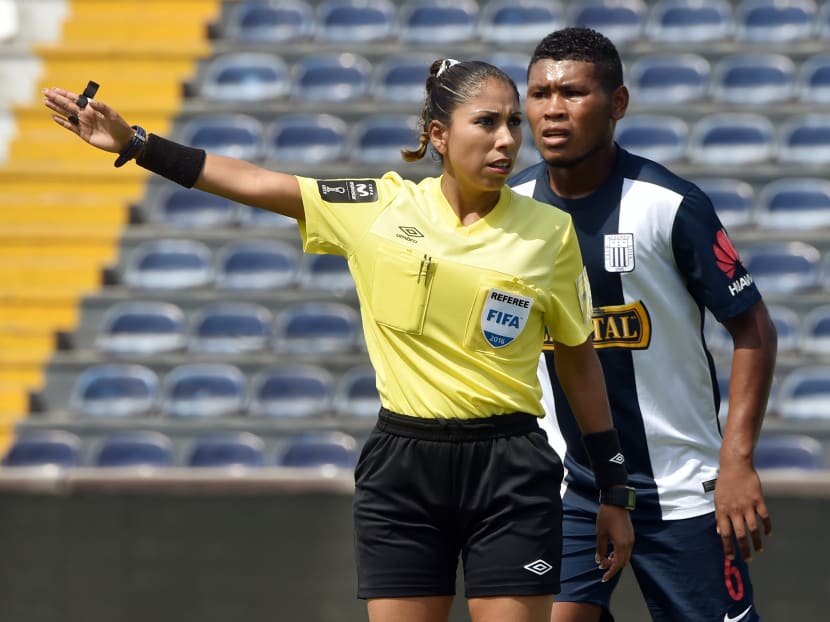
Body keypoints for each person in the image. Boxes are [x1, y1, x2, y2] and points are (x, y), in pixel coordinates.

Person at [44, 58, 635, 622]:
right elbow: (255, 182)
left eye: (511, 122)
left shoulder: (551, 232)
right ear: (439, 134)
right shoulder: (377, 206)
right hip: (404, 467)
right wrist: (136, 144)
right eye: (485, 122)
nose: (506, 139)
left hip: (511, 470)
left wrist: (613, 486)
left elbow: (579, 362)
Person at [509, 27, 778, 622]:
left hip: (681, 489)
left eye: (573, 93)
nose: (553, 109)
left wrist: (736, 461)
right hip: (569, 488)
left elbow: (754, 329)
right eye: (540, 94)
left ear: (618, 103)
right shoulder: (510, 207)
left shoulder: (670, 205)